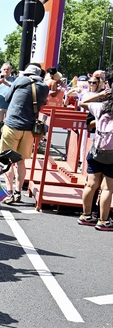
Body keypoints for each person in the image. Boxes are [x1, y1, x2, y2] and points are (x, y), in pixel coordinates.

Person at [0, 63, 49, 204]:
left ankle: (9, 192)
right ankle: (18, 191)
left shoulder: (20, 81)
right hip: (29, 128)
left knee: (8, 161)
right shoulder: (44, 87)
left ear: (26, 73)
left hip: (12, 125)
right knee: (21, 162)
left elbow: (7, 98)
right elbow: (43, 103)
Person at [77, 70, 113, 231]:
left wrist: (100, 95)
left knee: (91, 185)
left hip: (97, 150)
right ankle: (103, 221)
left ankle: (86, 215)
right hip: (112, 154)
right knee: (107, 188)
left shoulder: (101, 106)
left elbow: (82, 103)